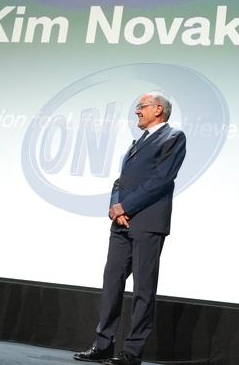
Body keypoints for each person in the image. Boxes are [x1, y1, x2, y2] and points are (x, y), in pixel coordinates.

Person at [74, 92, 187, 365]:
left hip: (148, 223)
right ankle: (103, 345)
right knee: (112, 283)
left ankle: (132, 352)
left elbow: (162, 180)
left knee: (143, 289)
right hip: (121, 224)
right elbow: (120, 181)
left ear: (158, 109)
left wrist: (126, 207)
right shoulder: (140, 141)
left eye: (141, 106)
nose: (137, 111)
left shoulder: (173, 137)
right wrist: (115, 207)